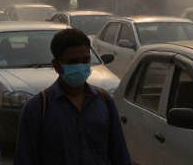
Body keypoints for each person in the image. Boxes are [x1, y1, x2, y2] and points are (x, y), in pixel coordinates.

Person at [14, 28, 131, 165]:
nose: (81, 66)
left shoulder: (104, 102)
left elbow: (119, 154)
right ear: (57, 66)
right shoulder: (38, 108)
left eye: (85, 60)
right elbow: (25, 158)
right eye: (73, 61)